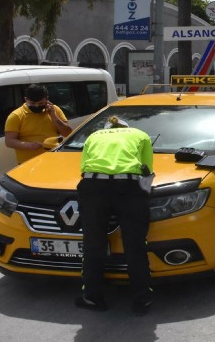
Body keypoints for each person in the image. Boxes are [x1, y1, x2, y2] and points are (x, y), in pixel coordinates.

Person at [75, 115, 154, 315]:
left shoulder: (94, 136)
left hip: (93, 186)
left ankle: (92, 297)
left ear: (107, 128)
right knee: (135, 245)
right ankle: (141, 300)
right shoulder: (141, 134)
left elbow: (84, 167)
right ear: (126, 128)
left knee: (93, 244)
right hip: (128, 187)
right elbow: (147, 170)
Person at [4, 84, 72, 163]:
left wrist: (53, 116)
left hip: (54, 159)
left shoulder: (55, 110)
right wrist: (28, 145)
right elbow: (9, 141)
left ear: (47, 100)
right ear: (26, 99)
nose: (36, 106)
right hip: (28, 162)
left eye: (40, 104)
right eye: (32, 103)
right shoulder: (16, 116)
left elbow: (68, 133)